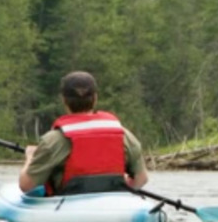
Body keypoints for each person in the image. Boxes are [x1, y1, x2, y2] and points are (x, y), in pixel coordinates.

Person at [19, 71, 149, 196]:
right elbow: (141, 179)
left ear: (64, 99)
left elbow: (26, 185)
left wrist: (30, 157)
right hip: (114, 204)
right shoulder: (124, 135)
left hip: (68, 205)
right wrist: (124, 187)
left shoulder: (52, 141)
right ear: (95, 98)